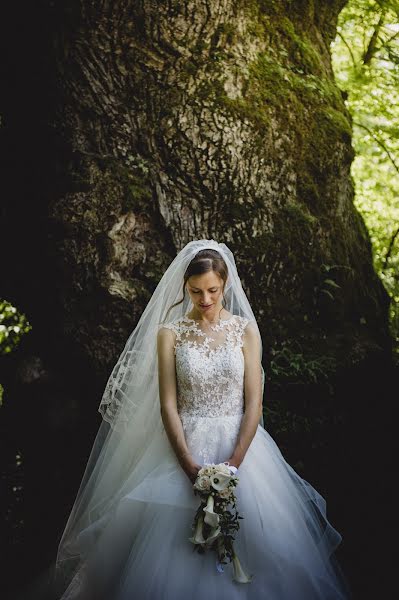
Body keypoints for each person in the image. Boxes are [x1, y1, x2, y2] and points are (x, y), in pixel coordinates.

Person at [54, 239, 352, 599]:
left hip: (242, 449)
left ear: (226, 285)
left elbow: (254, 402)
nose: (206, 299)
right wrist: (188, 465)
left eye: (213, 290)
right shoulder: (170, 334)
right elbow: (168, 404)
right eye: (196, 291)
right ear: (185, 287)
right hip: (184, 444)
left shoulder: (245, 331)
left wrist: (234, 466)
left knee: (259, 548)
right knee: (168, 546)